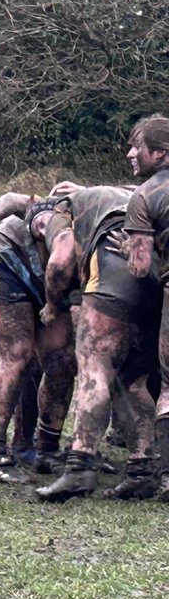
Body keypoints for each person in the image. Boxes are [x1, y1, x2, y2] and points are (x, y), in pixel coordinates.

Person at [36, 185, 159, 501]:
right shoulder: (133, 195)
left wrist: (52, 305)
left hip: (110, 282)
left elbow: (60, 262)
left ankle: (79, 467)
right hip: (156, 281)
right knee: (133, 382)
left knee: (94, 372)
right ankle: (142, 469)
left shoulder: (64, 210)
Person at [0, 193, 75, 479]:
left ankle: (33, 446)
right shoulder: (66, 211)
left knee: (57, 358)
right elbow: (13, 199)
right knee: (18, 354)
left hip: (43, 279)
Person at [121, 115, 169, 497]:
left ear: (160, 153)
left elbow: (138, 268)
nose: (132, 153)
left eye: (139, 147)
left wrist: (130, 245)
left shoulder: (146, 197)